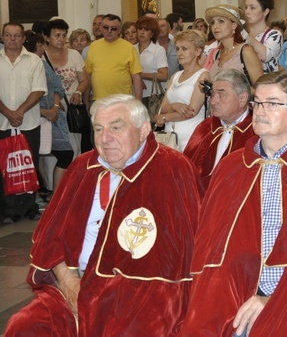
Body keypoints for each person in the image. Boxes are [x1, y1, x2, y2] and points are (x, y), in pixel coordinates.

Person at [5, 95, 201, 335]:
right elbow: (50, 238)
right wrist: (69, 284)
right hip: (76, 280)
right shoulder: (81, 167)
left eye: (116, 127)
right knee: (26, 326)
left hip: (140, 293)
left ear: (143, 130)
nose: (105, 139)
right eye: (98, 129)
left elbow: (186, 256)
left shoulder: (174, 169)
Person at [181, 71, 287, 336]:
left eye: (272, 103)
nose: (259, 111)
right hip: (231, 301)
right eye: (257, 102)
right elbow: (210, 248)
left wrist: (273, 299)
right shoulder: (232, 166)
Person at [0, 24, 47, 223]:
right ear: (2, 37)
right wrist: (8, 113)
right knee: (4, 167)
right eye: (9, 35)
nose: (13, 39)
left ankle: (29, 207)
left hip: (28, 122)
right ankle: (8, 210)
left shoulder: (34, 60)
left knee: (29, 165)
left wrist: (18, 112)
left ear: (22, 38)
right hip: (2, 122)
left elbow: (39, 90)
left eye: (17, 35)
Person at [183, 67, 255, 191]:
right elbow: (185, 172)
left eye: (221, 95)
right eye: (212, 94)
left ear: (242, 98)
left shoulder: (257, 132)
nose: (213, 101)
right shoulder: (205, 128)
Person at [30, 33, 73, 194]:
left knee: (65, 154)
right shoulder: (27, 65)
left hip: (50, 117)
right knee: (34, 157)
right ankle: (42, 192)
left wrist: (54, 107)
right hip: (33, 118)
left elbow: (57, 86)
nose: (43, 48)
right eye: (41, 45)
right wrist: (45, 112)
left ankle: (56, 194)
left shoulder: (42, 62)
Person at [156, 30, 210, 152]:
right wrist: (176, 106)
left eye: (184, 49)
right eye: (177, 49)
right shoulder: (175, 76)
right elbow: (162, 107)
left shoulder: (203, 75)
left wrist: (164, 118)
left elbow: (191, 112)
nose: (179, 53)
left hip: (191, 136)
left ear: (198, 51)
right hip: (169, 136)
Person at [43, 19, 89, 157]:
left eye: (64, 35)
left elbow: (84, 80)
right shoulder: (41, 58)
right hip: (52, 109)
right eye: (57, 35)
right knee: (52, 151)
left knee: (74, 149)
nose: (61, 39)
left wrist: (78, 92)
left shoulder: (74, 55)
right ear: (47, 37)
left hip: (72, 107)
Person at [84, 14, 143, 101]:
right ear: (101, 28)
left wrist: (138, 102)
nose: (109, 31)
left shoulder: (129, 48)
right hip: (99, 100)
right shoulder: (93, 46)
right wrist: (85, 100)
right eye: (106, 27)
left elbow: (136, 77)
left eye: (113, 28)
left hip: (123, 99)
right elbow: (88, 75)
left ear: (119, 30)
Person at [204, 5, 264, 85]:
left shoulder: (245, 51)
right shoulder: (217, 54)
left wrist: (236, 91)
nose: (215, 26)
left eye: (221, 21)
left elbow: (260, 86)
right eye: (212, 23)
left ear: (234, 25)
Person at [243, 0, 283, 73]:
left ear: (265, 12)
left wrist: (244, 33)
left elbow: (265, 55)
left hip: (267, 82)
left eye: (252, 8)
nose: (246, 12)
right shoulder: (242, 34)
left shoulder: (274, 34)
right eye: (246, 7)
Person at [135, 15, 168, 108]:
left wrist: (139, 75)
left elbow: (164, 75)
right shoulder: (131, 49)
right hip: (134, 94)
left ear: (152, 34)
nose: (142, 32)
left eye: (146, 30)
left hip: (153, 95)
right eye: (140, 29)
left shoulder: (158, 50)